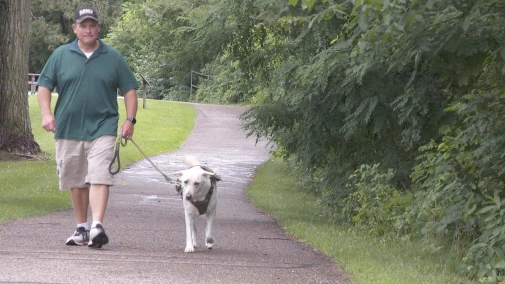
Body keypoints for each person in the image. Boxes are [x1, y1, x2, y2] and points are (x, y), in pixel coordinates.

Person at [37, 6, 139, 248]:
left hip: (102, 127)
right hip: (68, 127)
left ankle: (97, 226)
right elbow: (44, 86)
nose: (88, 29)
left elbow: (129, 89)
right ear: (75, 29)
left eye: (92, 25)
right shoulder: (61, 55)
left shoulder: (113, 57)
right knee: (76, 179)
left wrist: (129, 120)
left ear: (99, 28)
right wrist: (46, 114)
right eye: (83, 25)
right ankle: (82, 227)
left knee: (99, 175)